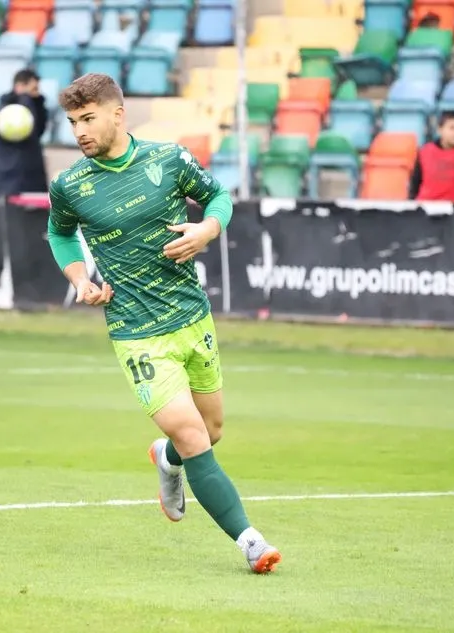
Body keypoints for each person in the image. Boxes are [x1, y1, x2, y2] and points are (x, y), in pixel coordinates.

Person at [46, 73, 282, 574]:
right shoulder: (70, 185)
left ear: (118, 115)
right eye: (72, 122)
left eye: (88, 119)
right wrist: (80, 279)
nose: (79, 131)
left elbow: (219, 197)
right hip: (136, 333)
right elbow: (60, 235)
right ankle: (251, 542)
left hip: (191, 315)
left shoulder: (168, 160)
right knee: (194, 436)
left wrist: (207, 230)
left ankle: (167, 460)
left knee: (211, 431)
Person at [0, 69, 49, 195]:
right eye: (33, 89)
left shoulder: (35, 105)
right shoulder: (7, 110)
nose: (37, 93)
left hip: (33, 174)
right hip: (11, 179)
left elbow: (39, 130)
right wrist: (26, 100)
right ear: (19, 86)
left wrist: (39, 103)